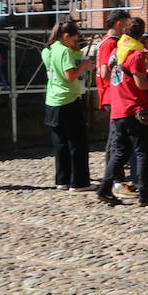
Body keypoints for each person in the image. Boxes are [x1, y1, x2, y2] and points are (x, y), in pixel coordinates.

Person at [94, 18, 148, 207]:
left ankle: (104, 189)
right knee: (144, 152)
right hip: (136, 109)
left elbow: (126, 76)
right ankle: (144, 194)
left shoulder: (118, 50)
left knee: (120, 153)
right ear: (141, 34)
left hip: (118, 109)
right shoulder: (136, 54)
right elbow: (141, 84)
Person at [42, 21, 90, 191]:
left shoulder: (48, 50)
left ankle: (62, 180)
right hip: (68, 99)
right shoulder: (64, 51)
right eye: (73, 39)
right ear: (66, 36)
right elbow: (69, 76)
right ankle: (79, 182)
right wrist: (83, 66)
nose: (74, 43)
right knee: (77, 143)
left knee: (60, 143)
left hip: (52, 100)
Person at [94, 9, 130, 191]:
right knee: (115, 139)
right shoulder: (110, 44)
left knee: (116, 137)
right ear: (119, 24)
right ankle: (114, 176)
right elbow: (104, 71)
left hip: (112, 94)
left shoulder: (108, 42)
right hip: (112, 94)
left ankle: (115, 174)